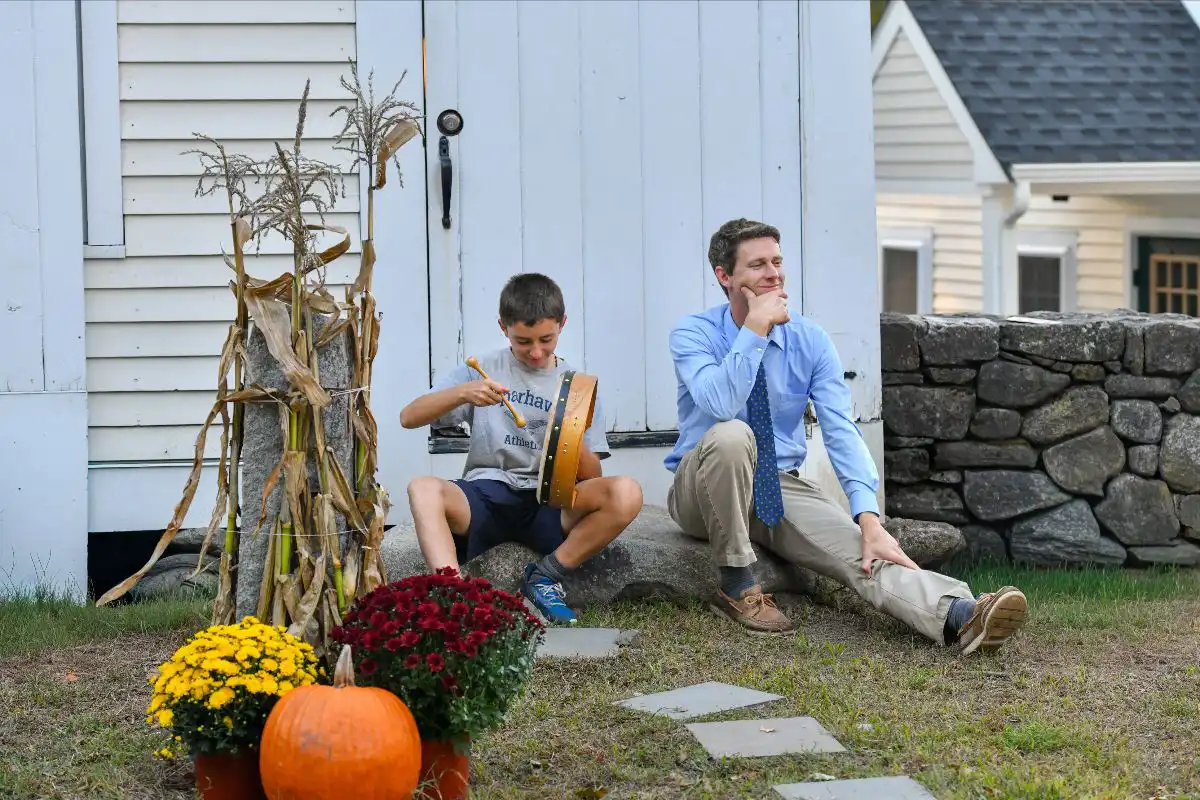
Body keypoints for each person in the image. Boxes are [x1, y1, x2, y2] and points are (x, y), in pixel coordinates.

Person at [664, 218, 1028, 654]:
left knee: (864, 551)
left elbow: (841, 429)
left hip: (774, 485)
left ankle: (959, 613)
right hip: (701, 487)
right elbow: (720, 404)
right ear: (725, 277)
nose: (774, 274)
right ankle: (737, 585)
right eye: (757, 265)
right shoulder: (693, 334)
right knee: (731, 435)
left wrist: (868, 517)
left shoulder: (809, 339)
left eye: (777, 262)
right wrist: (755, 330)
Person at [400, 272, 643, 625]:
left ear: (563, 324)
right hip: (485, 496)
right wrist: (463, 393)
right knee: (422, 487)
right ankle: (455, 597)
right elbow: (408, 417)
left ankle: (545, 576)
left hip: (549, 503)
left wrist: (566, 443)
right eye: (522, 341)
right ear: (503, 327)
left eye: (547, 339)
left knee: (627, 492)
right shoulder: (481, 369)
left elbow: (593, 478)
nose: (536, 351)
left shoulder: (578, 386)